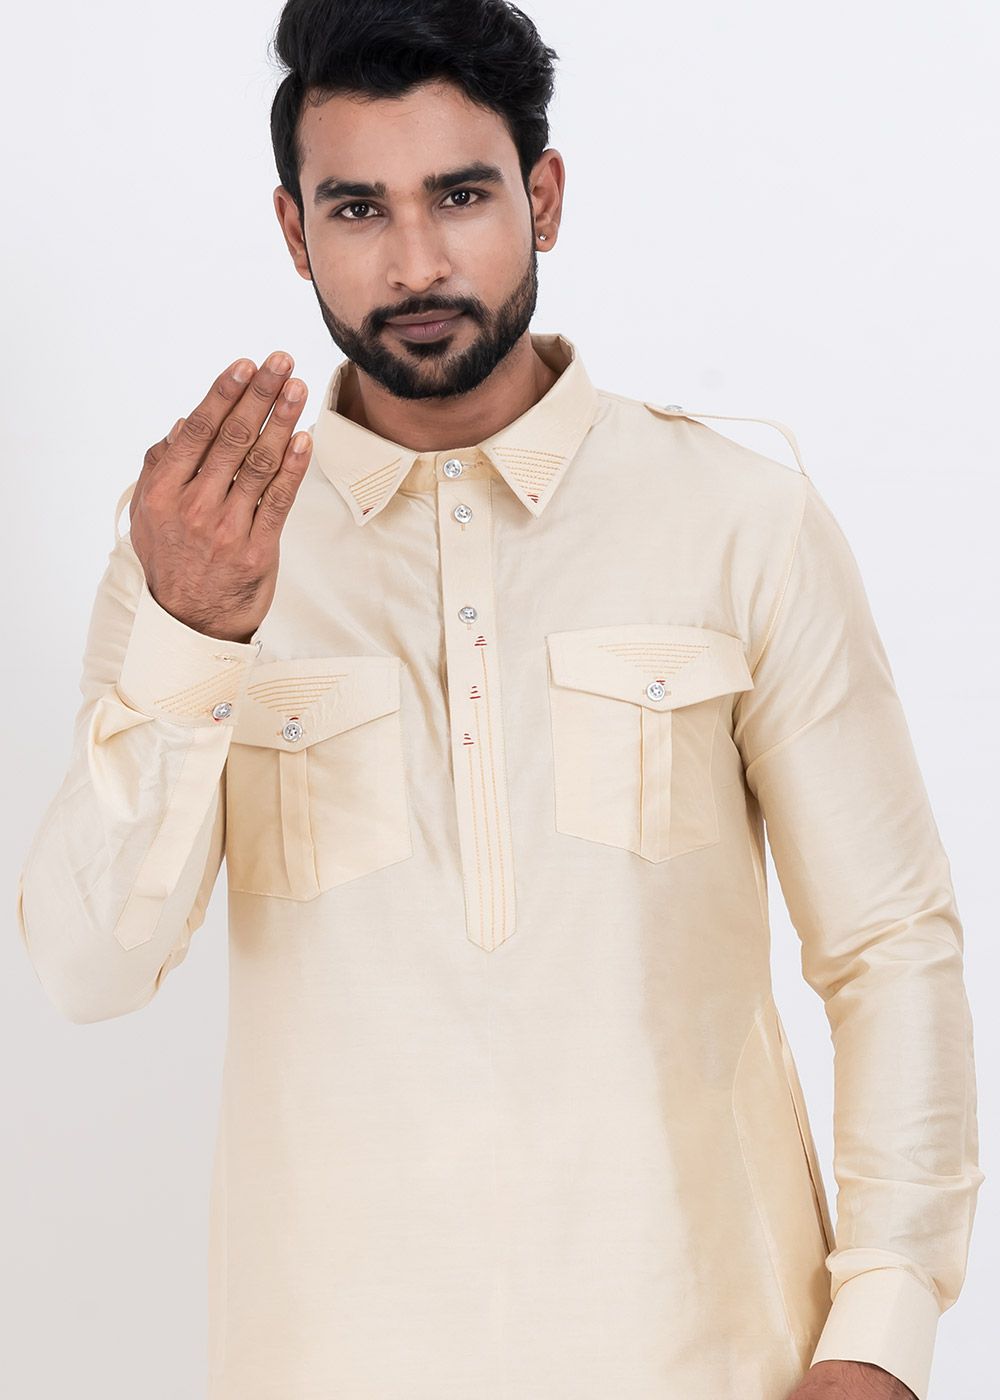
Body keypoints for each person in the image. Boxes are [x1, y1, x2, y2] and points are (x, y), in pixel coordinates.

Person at [16, 2, 983, 1398]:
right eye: (357, 208)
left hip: (713, 1357)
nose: (415, 262)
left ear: (545, 197)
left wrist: (880, 1332)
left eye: (460, 196)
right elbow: (87, 972)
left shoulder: (738, 519)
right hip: (331, 1362)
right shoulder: (197, 550)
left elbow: (890, 945)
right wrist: (194, 634)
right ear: (294, 231)